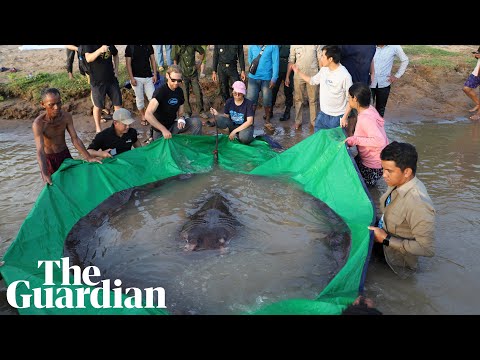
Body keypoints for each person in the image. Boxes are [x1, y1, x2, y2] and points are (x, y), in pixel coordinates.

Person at [368, 141, 435, 278]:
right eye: (383, 169)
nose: (383, 175)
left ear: (407, 172)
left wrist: (385, 239)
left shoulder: (418, 204)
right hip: (383, 237)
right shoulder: (397, 182)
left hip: (395, 261)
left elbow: (427, 249)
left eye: (389, 171)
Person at [32, 88, 101, 185]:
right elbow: (40, 150)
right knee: (54, 186)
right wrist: (44, 173)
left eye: (59, 103)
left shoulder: (66, 117)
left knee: (74, 182)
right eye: (51, 105)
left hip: (64, 155)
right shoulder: (39, 124)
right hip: (49, 159)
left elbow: (75, 139)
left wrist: (88, 157)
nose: (56, 107)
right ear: (43, 104)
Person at [292, 45, 352, 132]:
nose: (321, 59)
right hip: (322, 115)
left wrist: (345, 117)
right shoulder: (324, 70)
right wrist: (298, 72)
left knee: (335, 143)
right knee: (319, 141)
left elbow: (350, 99)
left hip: (337, 118)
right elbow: (312, 81)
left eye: (323, 56)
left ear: (330, 59)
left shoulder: (345, 76)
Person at [345, 82, 389, 187]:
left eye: (349, 97)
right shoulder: (370, 109)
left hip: (373, 164)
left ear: (355, 99)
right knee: (352, 174)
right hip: (372, 158)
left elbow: (380, 141)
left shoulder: (365, 118)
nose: (348, 100)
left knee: (361, 189)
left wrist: (355, 140)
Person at [144, 65, 202, 141]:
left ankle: (196, 144)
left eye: (179, 81)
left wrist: (181, 118)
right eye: (173, 80)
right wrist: (163, 129)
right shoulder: (160, 91)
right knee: (166, 150)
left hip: (172, 125)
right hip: (160, 130)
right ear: (167, 76)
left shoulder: (179, 91)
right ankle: (152, 137)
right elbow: (148, 114)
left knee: (196, 122)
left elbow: (181, 112)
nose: (176, 83)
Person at [83, 45, 123, 133]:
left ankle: (118, 127)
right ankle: (98, 128)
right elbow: (88, 58)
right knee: (98, 106)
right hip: (97, 81)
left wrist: (116, 70)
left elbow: (115, 54)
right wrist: (100, 50)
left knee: (118, 104)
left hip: (111, 79)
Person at [286, 45, 321, 129]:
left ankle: (314, 122)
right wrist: (287, 76)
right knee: (298, 99)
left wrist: (322, 74)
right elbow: (291, 61)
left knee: (313, 100)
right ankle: (298, 121)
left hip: (313, 75)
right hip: (298, 75)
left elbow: (320, 59)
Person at [246, 45, 279, 132]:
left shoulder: (273, 46)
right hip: (253, 78)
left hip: (267, 78)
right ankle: (250, 121)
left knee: (267, 100)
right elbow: (250, 59)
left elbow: (275, 62)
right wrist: (255, 69)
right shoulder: (252, 46)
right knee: (251, 101)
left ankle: (267, 121)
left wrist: (274, 78)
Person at [171, 45, 210, 120]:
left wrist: (199, 63)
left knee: (198, 91)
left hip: (193, 72)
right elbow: (175, 59)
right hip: (182, 73)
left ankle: (201, 111)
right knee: (185, 93)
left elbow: (202, 52)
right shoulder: (176, 46)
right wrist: (177, 71)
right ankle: (187, 112)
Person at [370, 45, 409, 117]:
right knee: (367, 109)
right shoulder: (369, 46)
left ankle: (379, 127)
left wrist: (397, 76)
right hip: (369, 82)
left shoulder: (394, 47)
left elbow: (405, 60)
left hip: (384, 83)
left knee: (381, 109)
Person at [125, 45, 157, 126]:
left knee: (153, 98)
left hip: (148, 77)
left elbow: (153, 60)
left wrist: (155, 74)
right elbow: (128, 64)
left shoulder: (148, 46)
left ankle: (151, 114)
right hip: (136, 78)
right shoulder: (130, 47)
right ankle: (143, 116)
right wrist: (131, 78)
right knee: (140, 99)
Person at [267, 44, 294, 123]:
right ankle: (270, 111)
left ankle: (287, 112)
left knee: (288, 91)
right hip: (277, 67)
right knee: (273, 91)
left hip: (288, 67)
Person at [463, 47, 480, 121]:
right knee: (466, 88)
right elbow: (478, 53)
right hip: (476, 73)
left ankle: (478, 114)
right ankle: (478, 104)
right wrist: (477, 54)